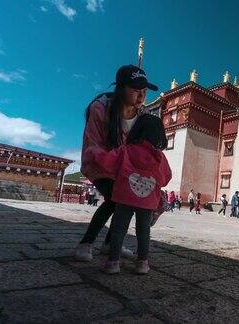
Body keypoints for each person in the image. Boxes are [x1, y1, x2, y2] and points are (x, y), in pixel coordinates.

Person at [74, 65, 158, 262]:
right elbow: (93, 146)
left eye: (144, 91)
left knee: (127, 200)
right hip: (98, 163)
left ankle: (111, 244)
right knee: (115, 198)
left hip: (123, 168)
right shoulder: (100, 107)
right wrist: (116, 162)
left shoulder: (141, 114)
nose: (141, 96)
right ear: (121, 88)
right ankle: (86, 243)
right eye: (136, 90)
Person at [92, 113, 171, 274]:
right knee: (143, 230)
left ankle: (113, 262)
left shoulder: (125, 150)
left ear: (136, 130)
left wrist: (95, 152)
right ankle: (142, 263)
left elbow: (108, 164)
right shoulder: (160, 158)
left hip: (124, 197)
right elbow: (166, 178)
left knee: (119, 228)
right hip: (148, 201)